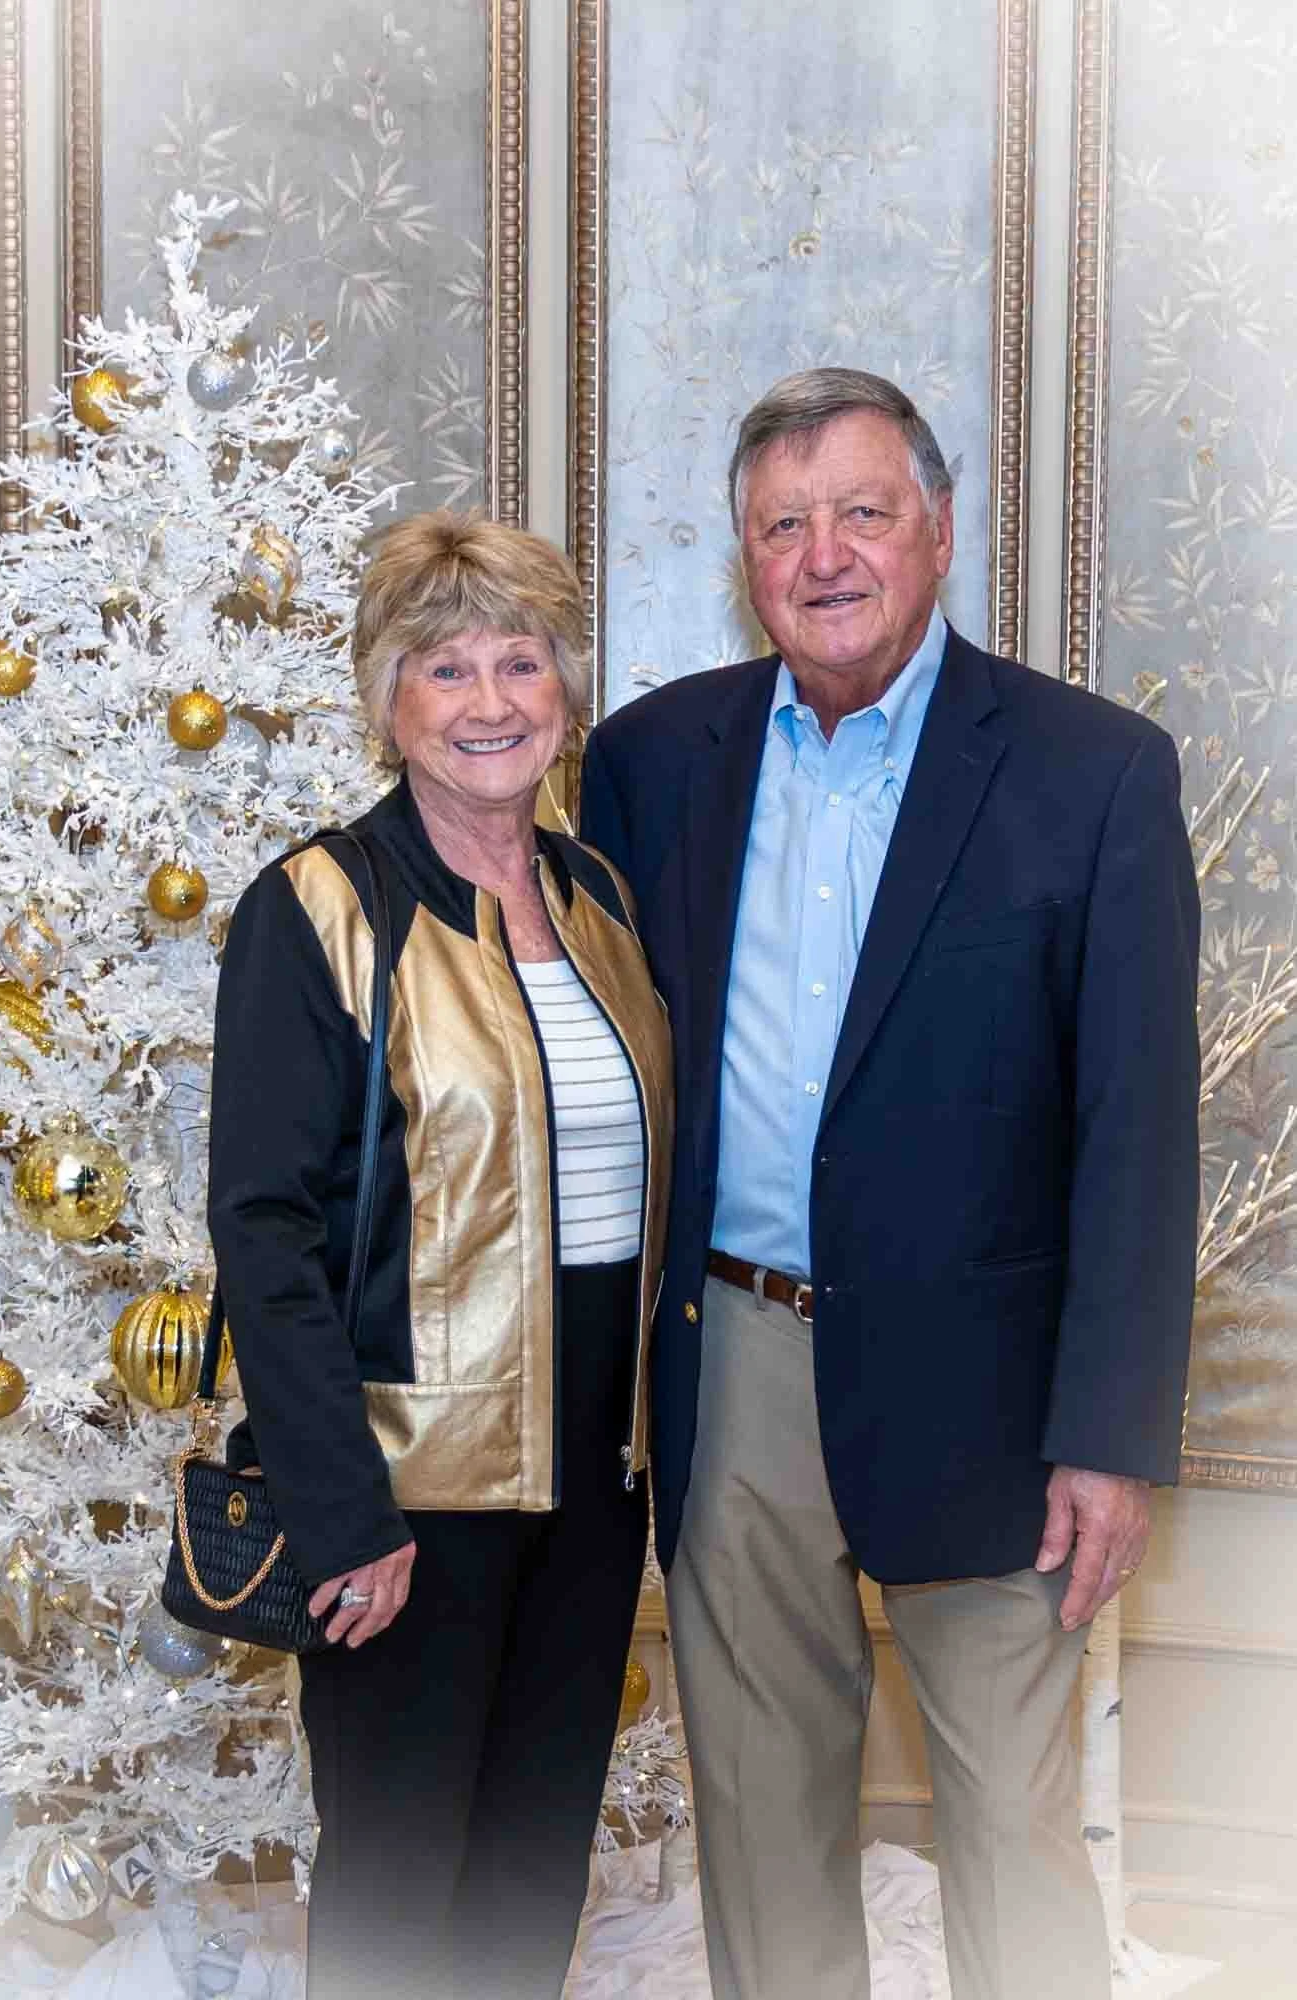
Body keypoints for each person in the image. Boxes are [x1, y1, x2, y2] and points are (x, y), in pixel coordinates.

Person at [580, 368, 1200, 2000]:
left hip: (997, 1396)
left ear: (936, 530)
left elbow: (1140, 1135)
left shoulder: (1095, 773)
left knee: (1011, 1824)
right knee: (764, 1830)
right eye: (784, 523)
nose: (825, 553)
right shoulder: (651, 763)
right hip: (736, 1366)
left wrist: (1111, 1436)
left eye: (863, 510)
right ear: (743, 556)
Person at [207, 509, 672, 2000]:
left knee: (533, 1878)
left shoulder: (602, 901)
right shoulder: (321, 908)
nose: (490, 703)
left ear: (566, 689)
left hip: (595, 1485)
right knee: (403, 1893)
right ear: (388, 702)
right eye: (445, 668)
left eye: (521, 662)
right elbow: (262, 1233)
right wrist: (343, 1515)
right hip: (406, 1501)